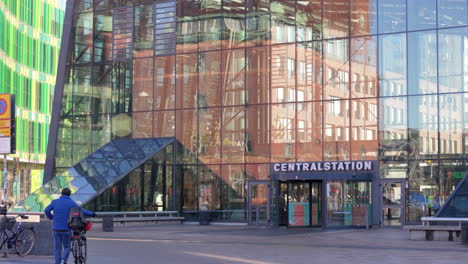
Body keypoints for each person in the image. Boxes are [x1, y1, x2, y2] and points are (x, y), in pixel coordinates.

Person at [44, 188, 96, 264]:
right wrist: (92, 214)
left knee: (57, 248)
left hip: (55, 228)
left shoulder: (55, 202)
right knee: (67, 247)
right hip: (66, 228)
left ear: (61, 193)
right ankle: (63, 261)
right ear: (69, 194)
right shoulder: (71, 203)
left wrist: (51, 217)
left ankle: (57, 262)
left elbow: (46, 210)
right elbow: (81, 210)